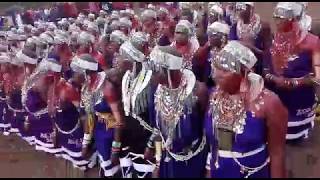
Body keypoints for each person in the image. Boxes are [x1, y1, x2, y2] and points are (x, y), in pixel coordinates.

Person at [206, 40, 288, 178]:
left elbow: (277, 153)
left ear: (243, 73)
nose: (216, 75)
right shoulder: (214, 96)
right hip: (219, 171)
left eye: (225, 70)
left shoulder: (269, 103)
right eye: (216, 68)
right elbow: (213, 145)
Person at [145, 45, 209, 178]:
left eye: (156, 71)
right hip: (168, 158)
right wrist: (157, 162)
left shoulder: (198, 91)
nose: (151, 76)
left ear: (169, 71)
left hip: (193, 160)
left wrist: (208, 167)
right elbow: (158, 130)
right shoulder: (157, 90)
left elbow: (207, 130)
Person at [263, 2, 320, 143]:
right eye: (275, 17)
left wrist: (293, 82)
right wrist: (274, 79)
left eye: (280, 18)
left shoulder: (312, 42)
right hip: (277, 95)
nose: (276, 22)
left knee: (296, 136)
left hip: (300, 99)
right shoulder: (275, 39)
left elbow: (318, 78)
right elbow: (265, 67)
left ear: (293, 20)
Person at [70, 54, 125, 177]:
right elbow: (90, 116)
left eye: (77, 72)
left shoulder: (107, 88)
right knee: (105, 167)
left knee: (112, 170)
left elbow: (119, 120)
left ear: (86, 72)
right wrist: (86, 143)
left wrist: (115, 149)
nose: (74, 76)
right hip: (100, 132)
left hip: (112, 134)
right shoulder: (86, 87)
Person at [120, 32, 155, 178]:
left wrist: (151, 144)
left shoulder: (153, 75)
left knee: (144, 170)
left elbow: (158, 116)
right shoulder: (128, 75)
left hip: (145, 135)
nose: (122, 59)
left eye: (128, 55)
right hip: (128, 133)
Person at [54, 61, 97, 170]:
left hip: (69, 126)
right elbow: (84, 114)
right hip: (73, 128)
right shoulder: (69, 89)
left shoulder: (71, 85)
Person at [229, 2, 272, 75]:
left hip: (258, 65)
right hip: (239, 65)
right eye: (238, 8)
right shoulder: (235, 26)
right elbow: (231, 44)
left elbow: (268, 50)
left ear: (250, 8)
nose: (239, 11)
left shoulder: (263, 26)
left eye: (242, 8)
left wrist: (253, 49)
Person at [192, 21, 230, 87]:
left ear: (223, 37)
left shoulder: (229, 52)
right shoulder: (208, 48)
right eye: (209, 35)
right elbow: (197, 61)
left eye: (213, 35)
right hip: (208, 84)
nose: (209, 38)